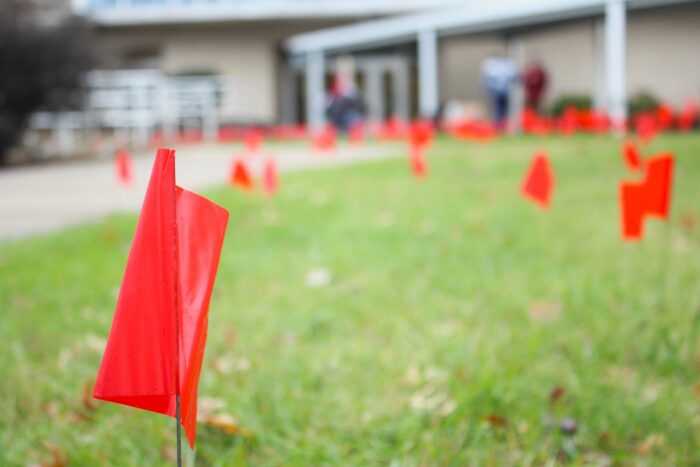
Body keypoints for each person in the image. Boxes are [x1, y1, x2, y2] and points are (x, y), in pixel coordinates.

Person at [480, 54, 520, 129]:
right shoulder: (502, 66)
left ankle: (502, 126)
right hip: (498, 92)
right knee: (498, 110)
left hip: (501, 92)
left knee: (502, 110)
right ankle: (499, 126)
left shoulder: (494, 66)